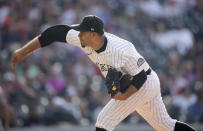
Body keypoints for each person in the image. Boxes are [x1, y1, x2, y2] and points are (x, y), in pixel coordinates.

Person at [12, 15, 196, 131]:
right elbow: (54, 33)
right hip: (144, 81)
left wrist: (124, 96)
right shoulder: (83, 38)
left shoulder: (121, 49)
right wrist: (23, 51)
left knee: (103, 122)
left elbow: (140, 77)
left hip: (144, 82)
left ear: (93, 34)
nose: (78, 34)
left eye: (82, 32)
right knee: (165, 126)